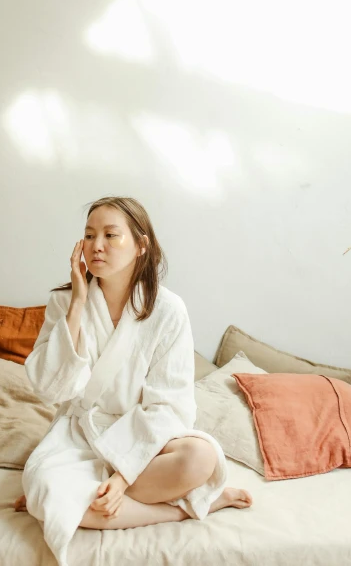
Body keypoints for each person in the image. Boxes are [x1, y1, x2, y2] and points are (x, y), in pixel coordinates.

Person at [14, 196, 252, 566]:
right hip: (80, 435)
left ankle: (85, 493)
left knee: (200, 456)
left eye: (111, 235)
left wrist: (123, 476)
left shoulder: (168, 310)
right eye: (90, 235)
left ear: (141, 246)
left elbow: (169, 405)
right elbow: (50, 388)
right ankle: (188, 506)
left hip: (143, 441)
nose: (97, 245)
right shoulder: (63, 301)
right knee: (46, 497)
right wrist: (77, 301)